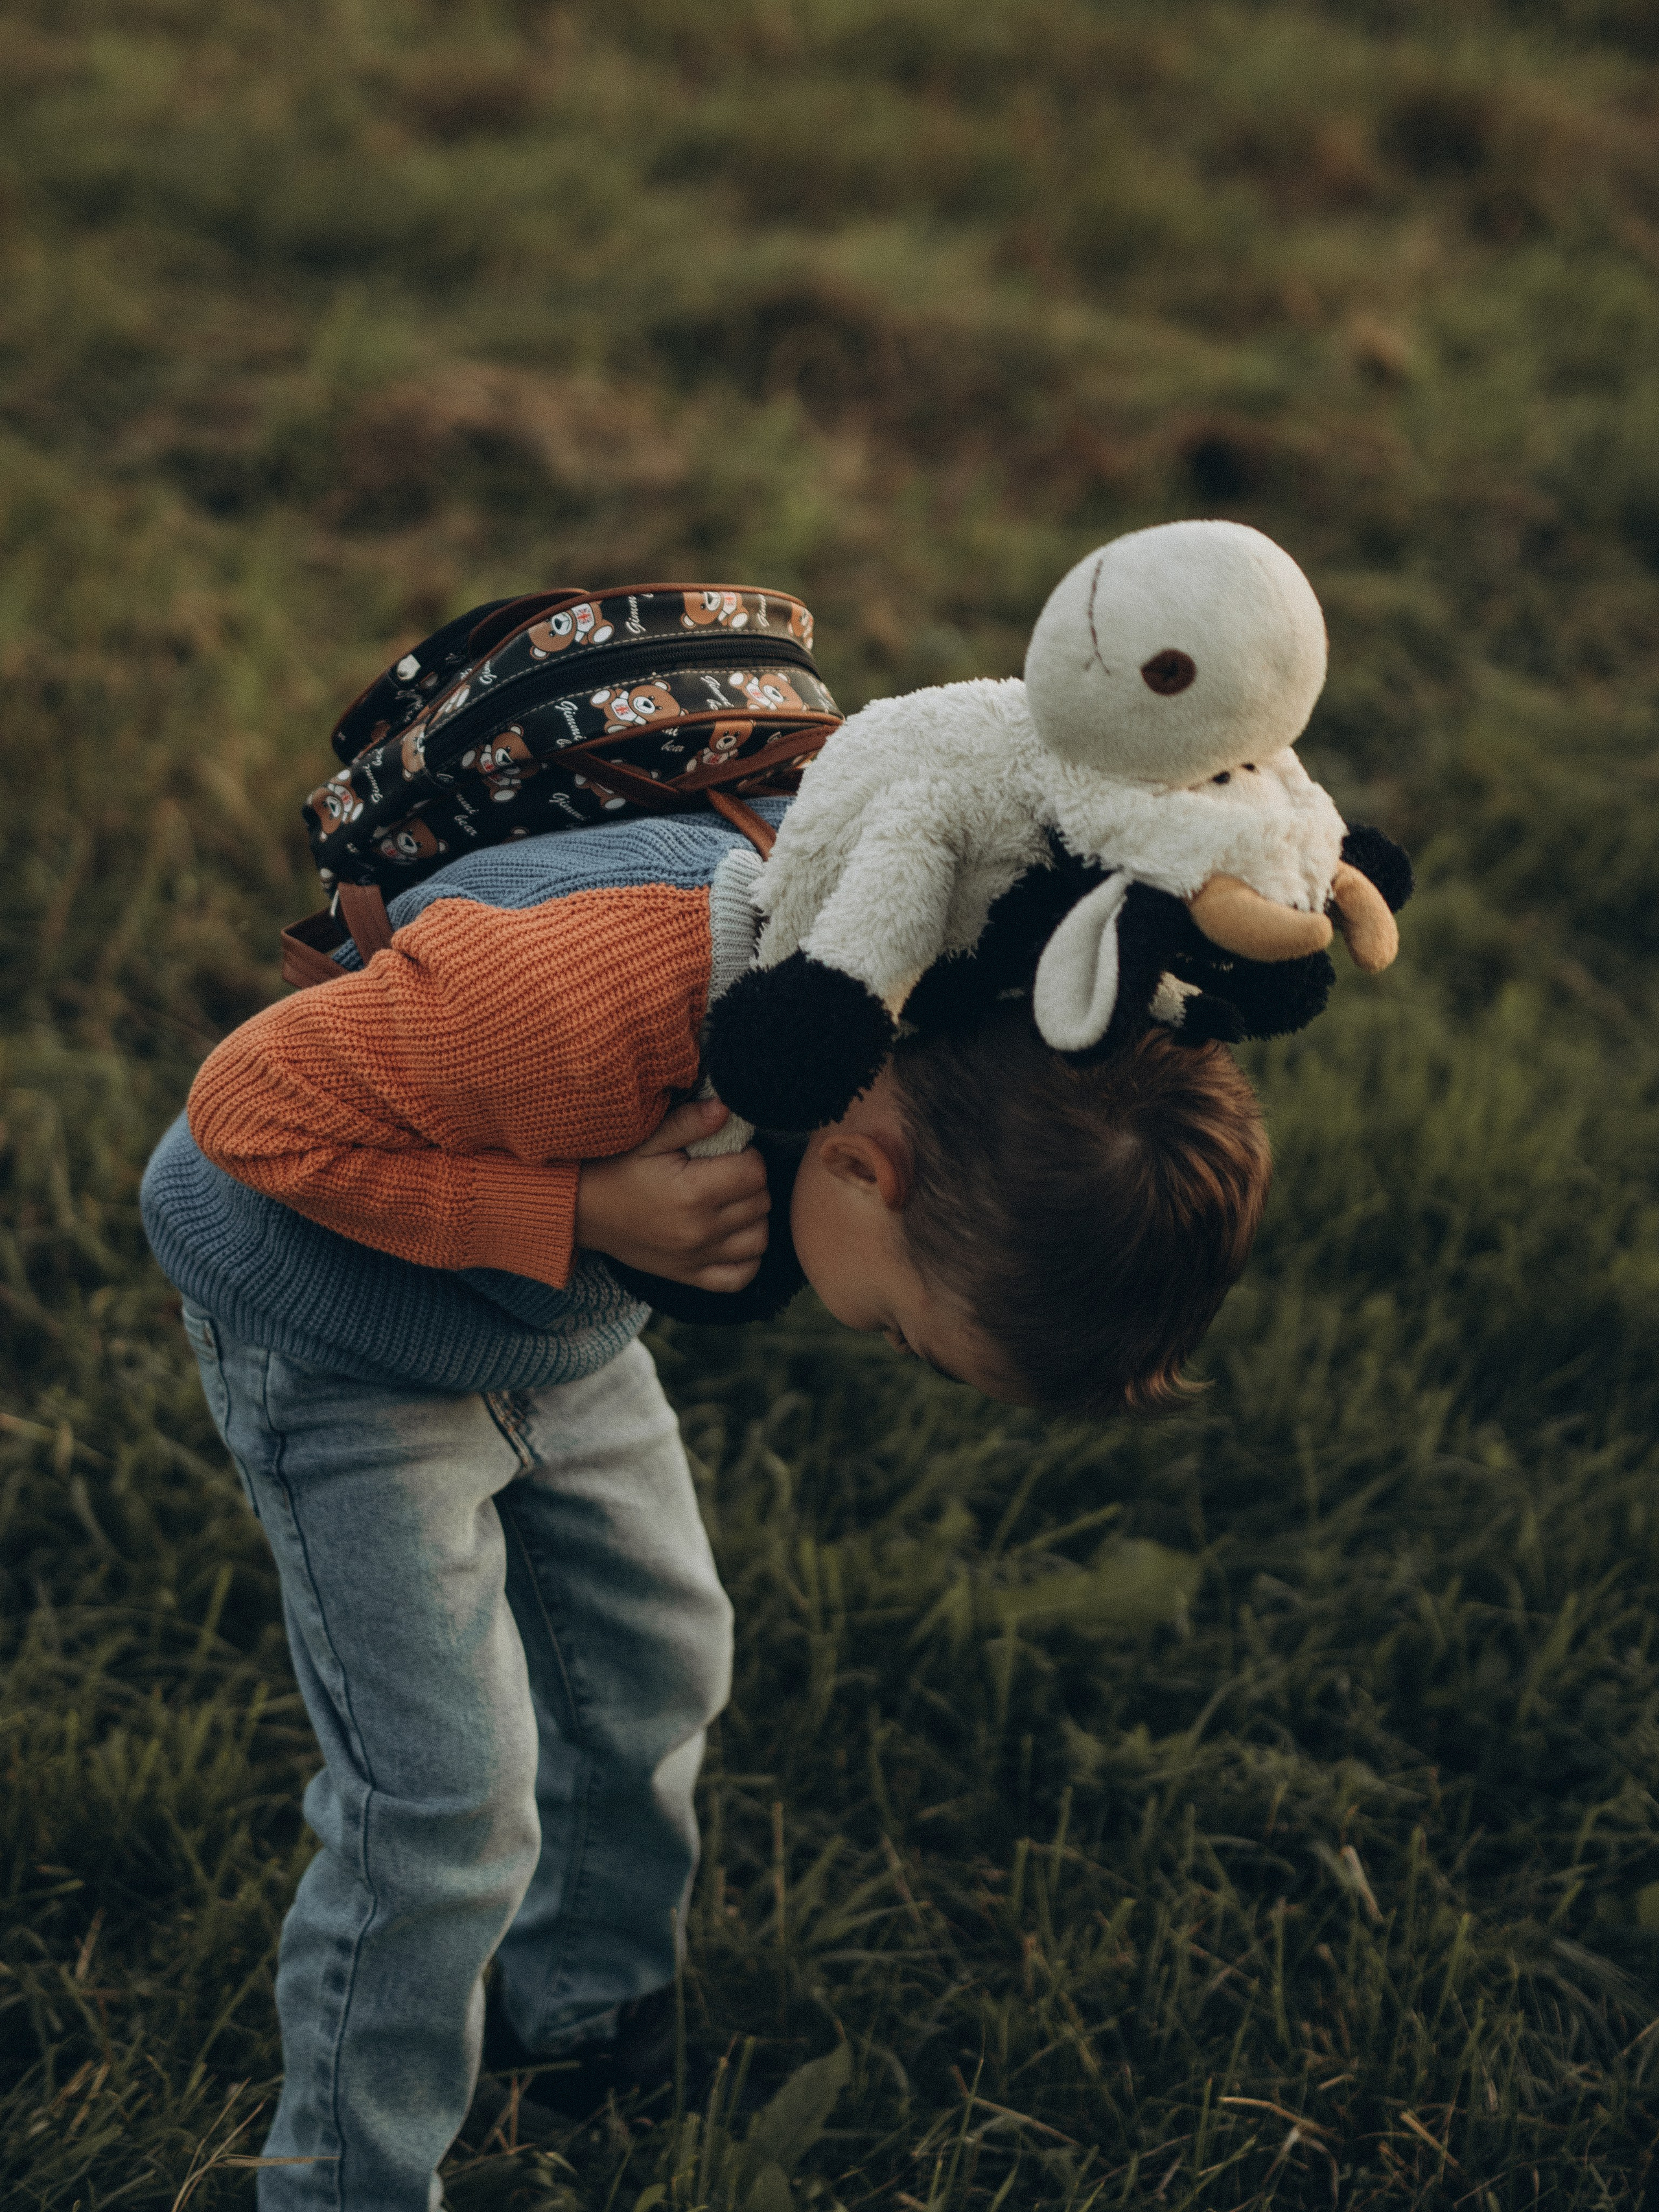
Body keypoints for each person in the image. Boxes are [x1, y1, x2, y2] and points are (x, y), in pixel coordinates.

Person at [140, 802, 1271, 2209]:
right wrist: (572, 1216)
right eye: (905, 1335)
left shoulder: (924, 1001)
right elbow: (228, 1126)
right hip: (338, 1337)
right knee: (441, 1817)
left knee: (660, 1655)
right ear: (862, 1168)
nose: (879, 1344)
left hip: (547, 1331)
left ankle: (586, 2023)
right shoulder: (566, 1000)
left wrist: (580, 1236)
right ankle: (344, 2187)